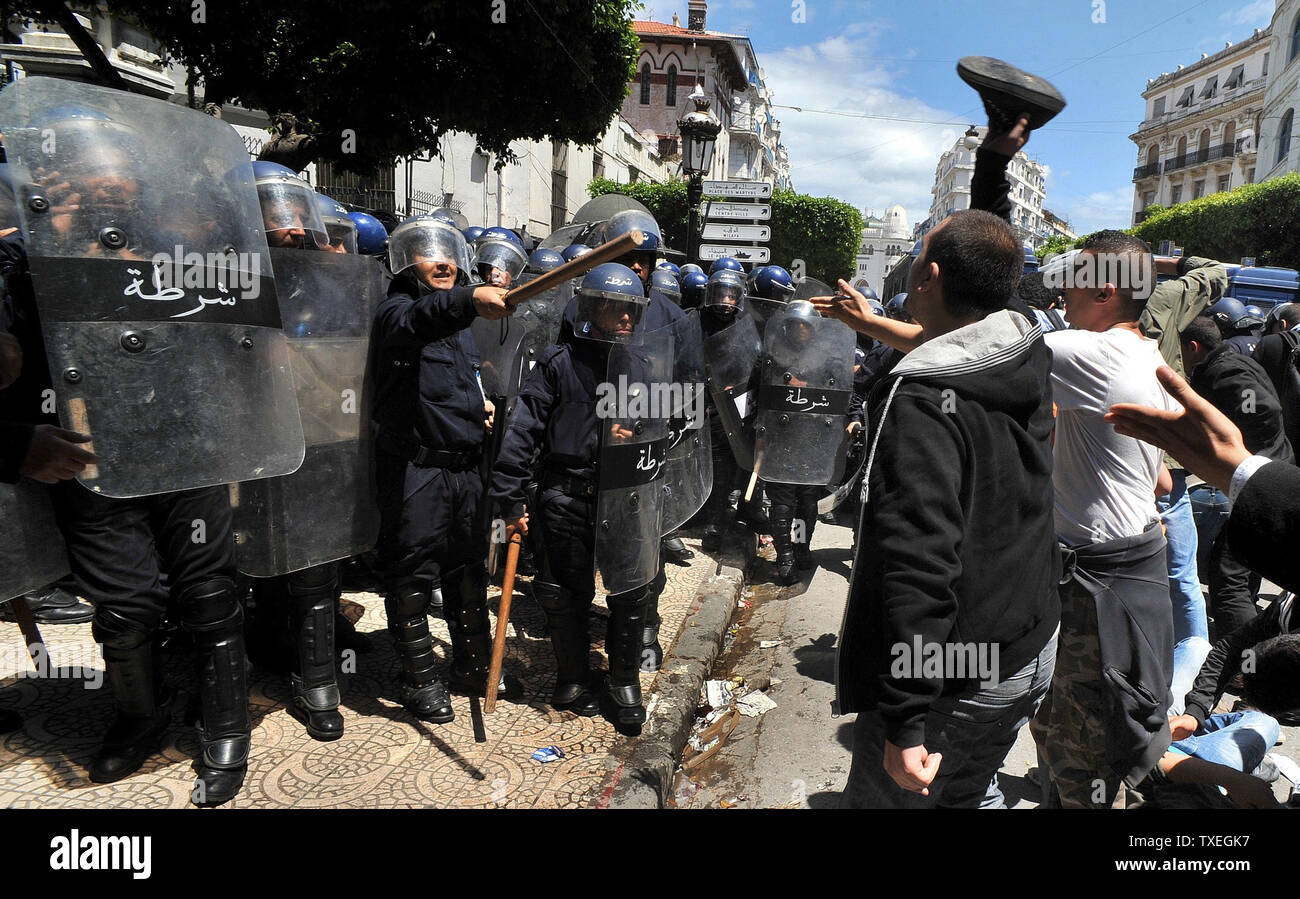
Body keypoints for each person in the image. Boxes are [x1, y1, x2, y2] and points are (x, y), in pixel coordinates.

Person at [837, 209, 1059, 808]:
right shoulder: (1023, 349)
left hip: (953, 676)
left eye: (916, 263)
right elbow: (964, 328)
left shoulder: (924, 399)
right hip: (1027, 646)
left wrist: (906, 721)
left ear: (929, 275)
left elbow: (920, 559)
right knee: (966, 791)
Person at [1027, 231, 1180, 809]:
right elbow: (1161, 479)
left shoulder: (1090, 352)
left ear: (1106, 291)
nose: (1063, 288)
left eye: (1074, 277)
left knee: (1078, 744)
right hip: (1125, 573)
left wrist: (875, 326)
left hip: (1096, 589)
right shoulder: (1147, 353)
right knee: (1095, 730)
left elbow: (973, 350)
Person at [489, 263, 658, 731]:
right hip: (567, 494)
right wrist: (509, 497)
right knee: (565, 592)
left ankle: (624, 680)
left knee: (631, 587)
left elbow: (666, 429)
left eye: (631, 310)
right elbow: (524, 430)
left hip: (624, 496)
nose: (625, 318)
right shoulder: (556, 363)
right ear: (591, 309)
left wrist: (636, 431)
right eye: (614, 308)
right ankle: (573, 676)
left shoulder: (642, 366)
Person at [370, 217, 512, 723]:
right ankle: (418, 678)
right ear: (406, 263)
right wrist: (469, 299)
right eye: (429, 253)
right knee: (412, 576)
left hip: (465, 472)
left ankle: (471, 666)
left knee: (467, 573)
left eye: (449, 252)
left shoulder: (458, 329)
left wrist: (480, 408)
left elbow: (460, 382)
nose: (444, 261)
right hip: (417, 471)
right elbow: (419, 320)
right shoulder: (398, 313)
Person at [1180, 315, 1293, 637]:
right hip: (1265, 477)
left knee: (1227, 572)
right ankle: (1253, 637)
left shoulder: (1227, 370)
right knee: (1246, 560)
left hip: (1260, 480)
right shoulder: (1228, 363)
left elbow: (1263, 410)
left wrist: (1241, 455)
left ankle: (1244, 660)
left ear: (1193, 346)